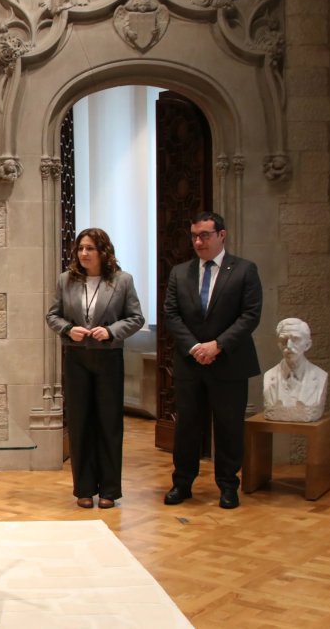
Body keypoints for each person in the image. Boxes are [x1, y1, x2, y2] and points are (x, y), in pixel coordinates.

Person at [163, 211, 262, 509]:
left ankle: (228, 486)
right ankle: (182, 484)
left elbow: (250, 315)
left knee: (229, 426)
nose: (198, 241)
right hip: (190, 363)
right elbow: (171, 314)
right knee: (187, 426)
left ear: (222, 235)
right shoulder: (180, 273)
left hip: (229, 362)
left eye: (204, 235)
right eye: (194, 236)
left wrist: (217, 345)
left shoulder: (244, 270)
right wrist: (195, 347)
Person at [46, 228, 145, 509]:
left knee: (109, 424)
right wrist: (68, 329)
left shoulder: (122, 281)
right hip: (76, 358)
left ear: (103, 251)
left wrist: (112, 331)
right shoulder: (66, 280)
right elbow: (52, 315)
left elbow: (136, 318)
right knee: (80, 424)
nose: (83, 254)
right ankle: (84, 489)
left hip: (108, 358)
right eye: (80, 248)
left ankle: (110, 489)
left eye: (89, 248)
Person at [262, 318, 328, 422]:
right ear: (279, 344)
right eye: (284, 340)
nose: (289, 346)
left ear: (307, 345)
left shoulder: (320, 376)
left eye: (296, 339)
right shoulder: (269, 376)